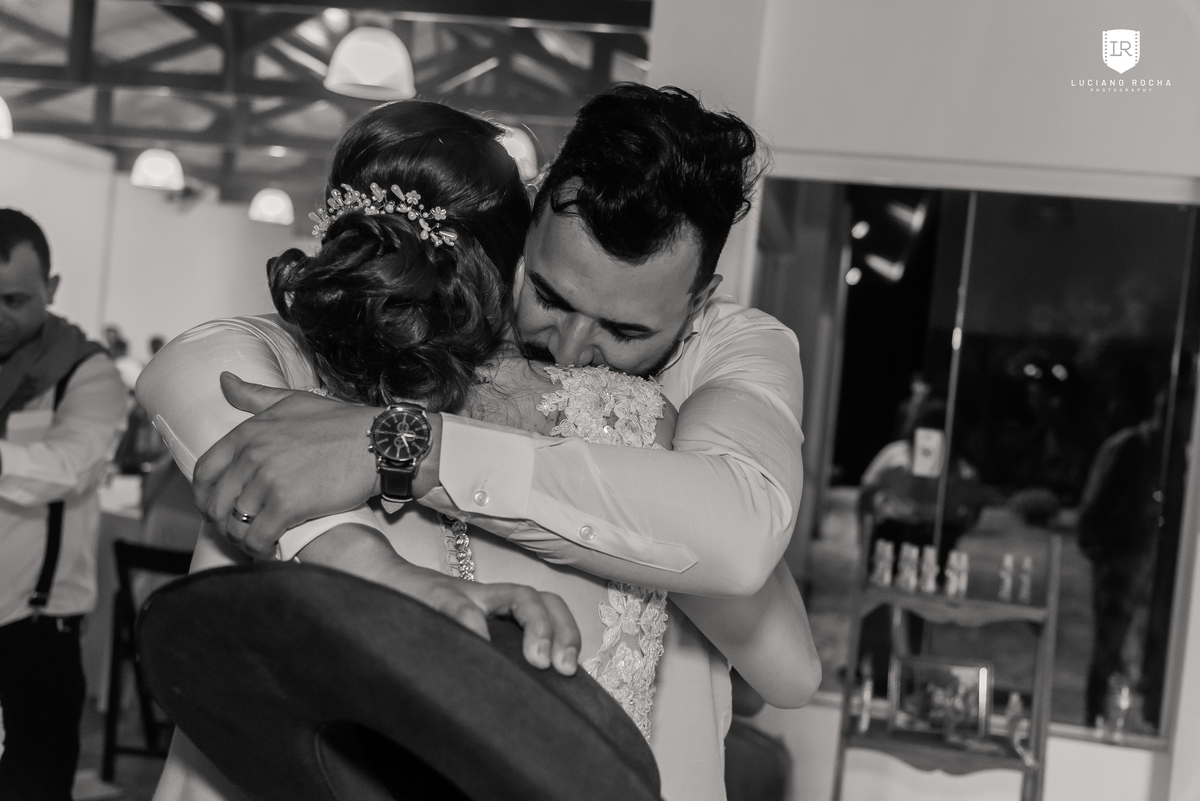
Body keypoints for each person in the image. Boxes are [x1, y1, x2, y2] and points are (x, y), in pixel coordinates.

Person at [140, 91, 818, 801]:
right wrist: (368, 558)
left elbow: (750, 566)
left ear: (699, 301)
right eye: (550, 297)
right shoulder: (356, 353)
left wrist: (405, 446)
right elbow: (197, 367)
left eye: (625, 331)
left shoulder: (732, 348)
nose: (572, 350)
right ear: (527, 225)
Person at [0, 209, 129, 800]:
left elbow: (67, 468)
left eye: (13, 300)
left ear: (50, 289)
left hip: (35, 631)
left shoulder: (87, 372)